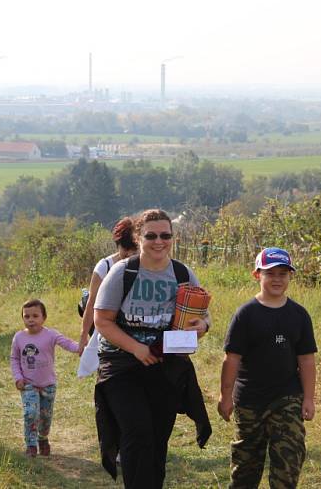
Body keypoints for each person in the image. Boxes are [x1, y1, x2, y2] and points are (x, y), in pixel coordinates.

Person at [93, 208, 211, 489]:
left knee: (158, 439)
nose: (159, 241)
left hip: (166, 367)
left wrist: (203, 327)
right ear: (138, 237)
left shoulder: (182, 273)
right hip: (122, 366)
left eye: (166, 235)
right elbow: (102, 320)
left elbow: (202, 315)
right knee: (137, 434)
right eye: (151, 235)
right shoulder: (123, 272)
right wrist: (136, 348)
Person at [218, 247, 317, 489]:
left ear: (290, 277)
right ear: (257, 275)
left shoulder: (299, 315)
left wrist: (309, 398)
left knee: (289, 462)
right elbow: (232, 359)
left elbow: (306, 360)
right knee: (246, 468)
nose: (277, 279)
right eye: (270, 273)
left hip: (287, 397)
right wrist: (225, 396)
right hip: (250, 400)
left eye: (283, 274)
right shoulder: (246, 315)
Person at [10, 299, 79, 458]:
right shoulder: (19, 337)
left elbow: (67, 343)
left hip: (48, 385)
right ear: (22, 318)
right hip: (28, 385)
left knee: (45, 418)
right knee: (30, 413)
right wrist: (18, 377)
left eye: (35, 315)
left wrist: (81, 348)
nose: (31, 319)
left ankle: (43, 438)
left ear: (44, 317)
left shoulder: (51, 335)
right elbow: (14, 359)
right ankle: (31, 444)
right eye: (26, 316)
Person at [78, 217, 138, 362]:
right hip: (109, 330)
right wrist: (83, 336)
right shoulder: (104, 266)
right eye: (126, 249)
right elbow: (91, 303)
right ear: (118, 245)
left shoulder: (148, 265)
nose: (130, 254)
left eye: (134, 249)